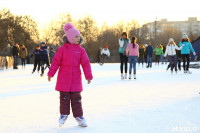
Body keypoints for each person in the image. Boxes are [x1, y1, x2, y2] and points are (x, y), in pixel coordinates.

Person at [47, 23, 93, 128]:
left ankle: (79, 117)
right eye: (76, 36)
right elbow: (55, 62)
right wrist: (51, 73)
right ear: (70, 38)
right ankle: (63, 115)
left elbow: (86, 63)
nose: (78, 38)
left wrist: (88, 76)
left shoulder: (81, 50)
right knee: (64, 99)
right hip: (64, 80)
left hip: (76, 80)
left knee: (77, 100)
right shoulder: (62, 50)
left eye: (79, 36)